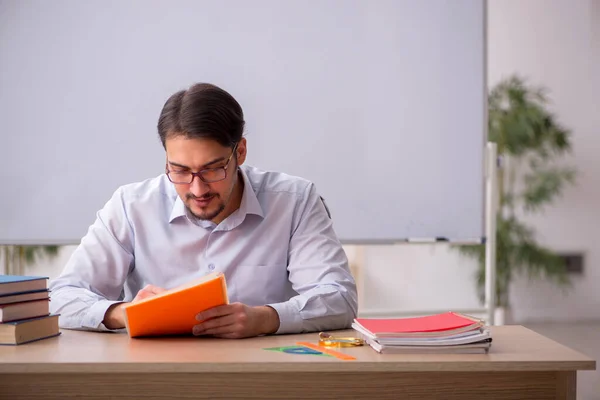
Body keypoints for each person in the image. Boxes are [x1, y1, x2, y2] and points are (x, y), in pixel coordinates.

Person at [49, 83, 358, 338]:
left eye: (213, 169)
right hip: (154, 379)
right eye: (180, 170)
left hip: (261, 377)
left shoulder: (295, 200)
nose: (197, 190)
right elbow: (61, 297)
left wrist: (264, 318)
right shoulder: (131, 206)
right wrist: (122, 313)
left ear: (241, 152)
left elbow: (339, 298)